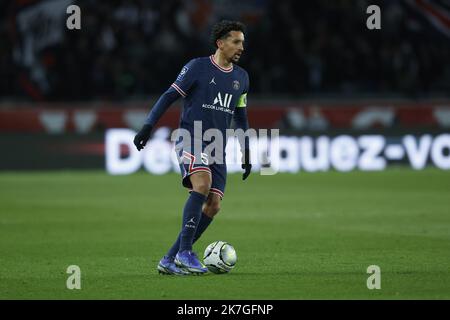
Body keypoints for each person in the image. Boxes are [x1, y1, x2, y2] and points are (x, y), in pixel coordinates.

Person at [133, 20, 252, 275]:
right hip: (192, 137)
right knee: (202, 184)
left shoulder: (242, 78)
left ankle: (169, 258)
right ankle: (186, 252)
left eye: (243, 42)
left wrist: (246, 151)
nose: (242, 47)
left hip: (218, 145)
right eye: (236, 41)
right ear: (221, 43)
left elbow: (240, 118)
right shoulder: (197, 67)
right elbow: (169, 95)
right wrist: (148, 125)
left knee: (214, 205)